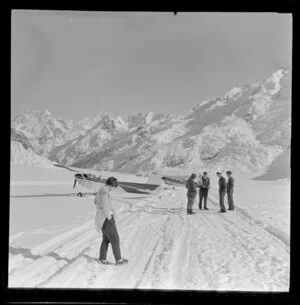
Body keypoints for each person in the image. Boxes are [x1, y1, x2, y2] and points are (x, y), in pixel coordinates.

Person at [94, 177, 128, 265]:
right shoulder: (104, 191)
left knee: (106, 239)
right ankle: (118, 260)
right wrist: (109, 218)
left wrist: (113, 211)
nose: (114, 189)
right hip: (106, 218)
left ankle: (102, 259)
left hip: (101, 218)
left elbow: (95, 201)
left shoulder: (101, 190)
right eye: (114, 187)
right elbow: (105, 206)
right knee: (115, 239)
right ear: (112, 185)